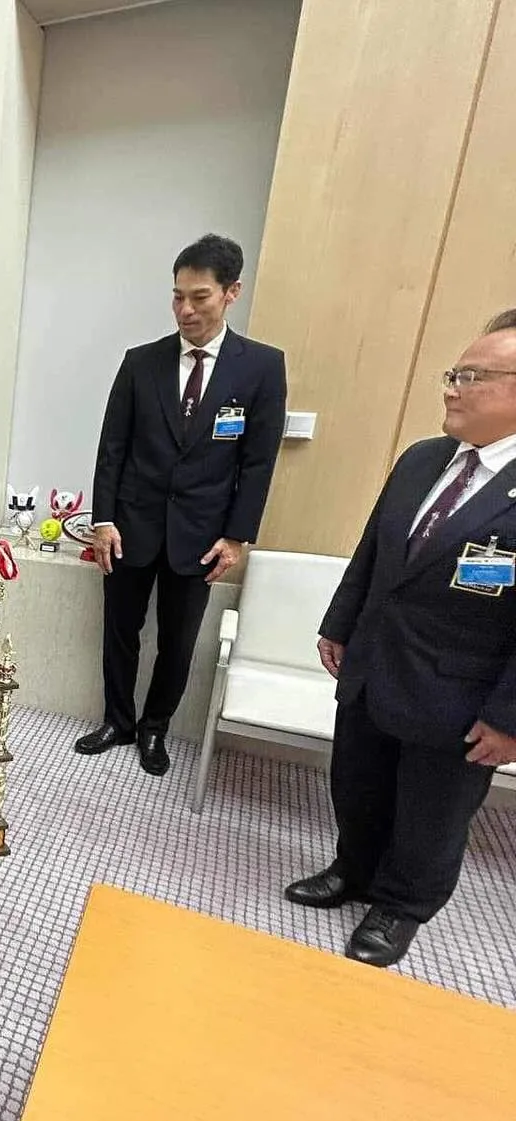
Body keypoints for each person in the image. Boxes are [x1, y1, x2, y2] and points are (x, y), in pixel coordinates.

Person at [286, 310, 516, 967]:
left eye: (472, 377)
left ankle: (400, 907)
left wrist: (509, 719)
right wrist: (339, 624)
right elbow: (373, 553)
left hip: (459, 696)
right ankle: (353, 871)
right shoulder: (423, 459)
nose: (452, 388)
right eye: (454, 373)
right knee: (355, 784)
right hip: (373, 665)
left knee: (430, 815)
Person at [76, 234, 287, 775]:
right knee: (119, 629)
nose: (185, 310)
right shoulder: (140, 362)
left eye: (200, 297)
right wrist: (103, 520)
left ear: (231, 292)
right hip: (129, 526)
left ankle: (153, 728)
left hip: (201, 534)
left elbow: (258, 462)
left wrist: (237, 536)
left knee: (178, 641)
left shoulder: (261, 368)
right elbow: (111, 448)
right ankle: (118, 719)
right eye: (177, 297)